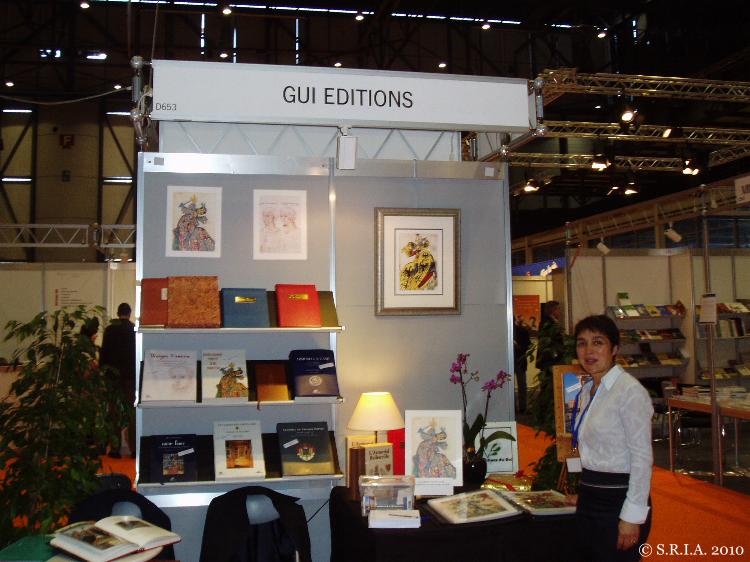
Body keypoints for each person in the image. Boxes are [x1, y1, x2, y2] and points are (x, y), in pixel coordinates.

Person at [570, 314, 653, 562]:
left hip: (618, 501)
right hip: (590, 498)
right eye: (582, 343)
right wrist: (585, 492)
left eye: (598, 342)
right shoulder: (588, 390)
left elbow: (642, 458)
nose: (588, 351)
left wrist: (631, 517)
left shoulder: (630, 391)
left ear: (614, 348)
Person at [100, 302, 136, 458]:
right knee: (131, 411)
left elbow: (104, 354)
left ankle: (115, 449)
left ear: (117, 313)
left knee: (113, 411)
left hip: (112, 377)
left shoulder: (109, 330)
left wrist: (103, 373)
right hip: (130, 377)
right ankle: (134, 449)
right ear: (129, 313)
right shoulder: (134, 329)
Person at [513, 317, 531, 414]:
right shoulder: (505, 331)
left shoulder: (522, 331)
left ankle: (522, 407)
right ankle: (514, 407)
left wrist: (518, 347)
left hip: (520, 360)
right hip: (510, 361)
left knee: (522, 385)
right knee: (511, 385)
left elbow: (528, 345)